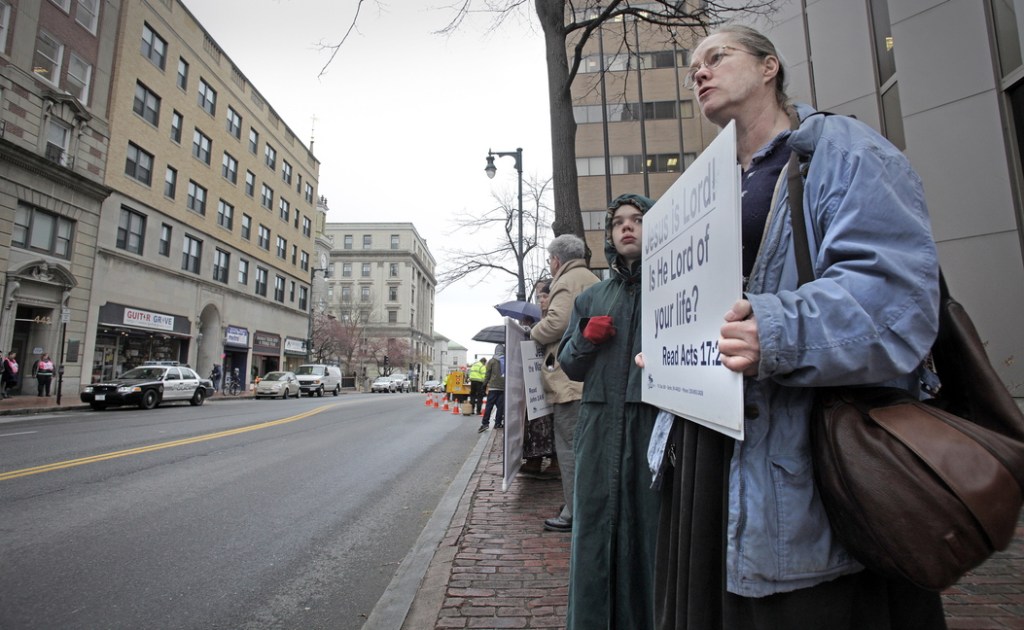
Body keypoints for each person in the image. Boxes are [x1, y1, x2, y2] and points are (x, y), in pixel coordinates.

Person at [650, 25, 944, 630]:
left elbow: (897, 303)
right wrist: (669, 353)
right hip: (713, 461)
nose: (699, 72)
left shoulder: (843, 152)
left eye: (716, 56)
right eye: (691, 67)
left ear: (769, 67)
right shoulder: (708, 188)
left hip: (807, 462)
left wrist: (775, 332)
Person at [558, 193, 660, 629]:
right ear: (610, 234)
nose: (627, 227)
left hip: (651, 425)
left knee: (650, 532)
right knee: (596, 530)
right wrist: (585, 337)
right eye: (619, 221)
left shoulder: (672, 287)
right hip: (599, 429)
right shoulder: (594, 297)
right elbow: (569, 364)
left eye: (637, 219)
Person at [530, 235, 599, 533]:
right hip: (589, 379)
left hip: (569, 382)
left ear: (556, 260)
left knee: (570, 450)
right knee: (586, 449)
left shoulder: (566, 281)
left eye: (549, 260)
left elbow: (557, 324)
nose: (550, 265)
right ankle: (581, 506)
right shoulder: (593, 278)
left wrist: (534, 332)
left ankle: (574, 512)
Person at [480, 344, 506, 432]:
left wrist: (484, 385)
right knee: (500, 407)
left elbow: (487, 375)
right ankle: (498, 423)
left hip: (493, 388)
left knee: (489, 406)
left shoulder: (492, 361)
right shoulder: (507, 361)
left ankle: (485, 423)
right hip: (503, 388)